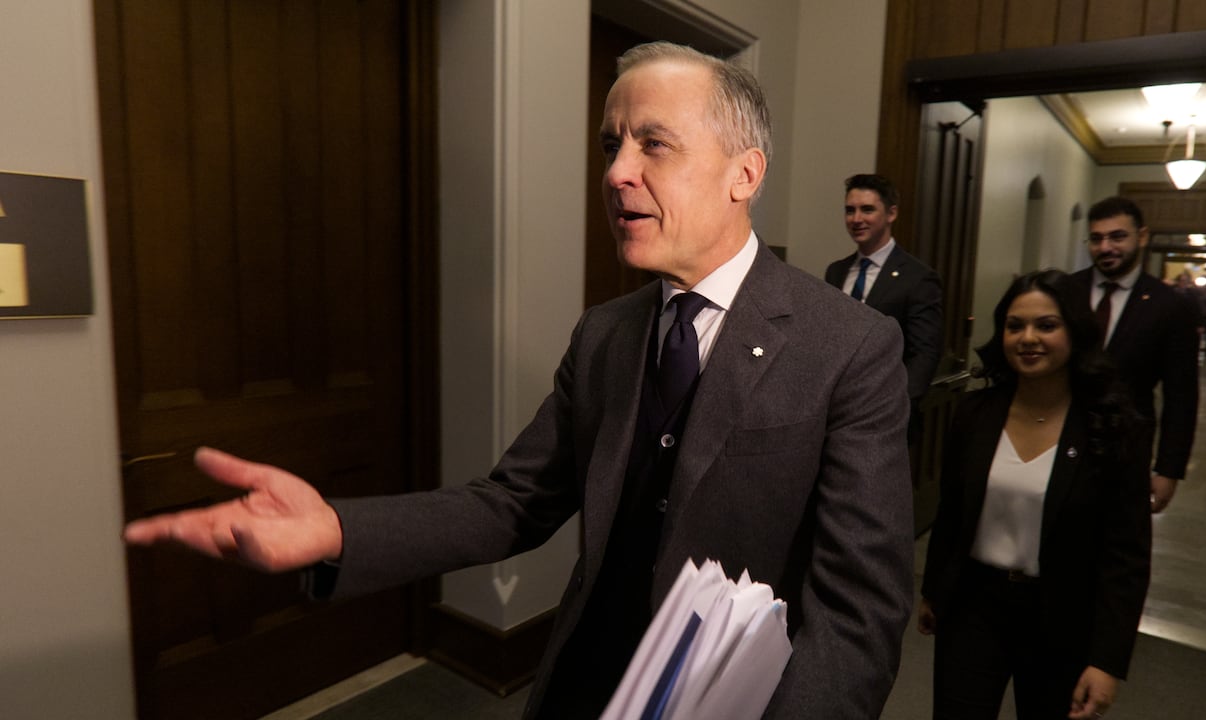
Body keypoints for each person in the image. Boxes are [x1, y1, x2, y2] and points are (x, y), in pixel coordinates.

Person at [124, 41, 915, 719]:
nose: (616, 173)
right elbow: (514, 502)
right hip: (581, 686)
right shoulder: (606, 333)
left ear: (744, 174)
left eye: (653, 145)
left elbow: (857, 617)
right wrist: (336, 530)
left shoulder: (848, 346)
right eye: (611, 145)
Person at [918, 269, 1151, 719]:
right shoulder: (975, 413)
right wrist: (933, 590)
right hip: (974, 607)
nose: (1028, 338)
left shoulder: (1113, 429)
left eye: (1046, 325)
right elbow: (952, 512)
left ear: (1075, 332)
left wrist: (1107, 661)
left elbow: (1127, 555)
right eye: (1014, 325)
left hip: (1061, 615)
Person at [1070, 196, 1200, 513]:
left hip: (1125, 447)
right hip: (1062, 433)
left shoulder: (1169, 306)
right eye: (1097, 238)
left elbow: (1181, 396)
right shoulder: (1065, 290)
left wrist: (1168, 469)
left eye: (1118, 236)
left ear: (1141, 237)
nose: (1106, 247)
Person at [824, 173, 944, 407]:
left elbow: (924, 355)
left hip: (888, 411)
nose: (856, 219)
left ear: (891, 213)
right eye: (850, 210)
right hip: (837, 407)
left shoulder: (918, 278)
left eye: (867, 210)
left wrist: (895, 405)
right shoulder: (836, 272)